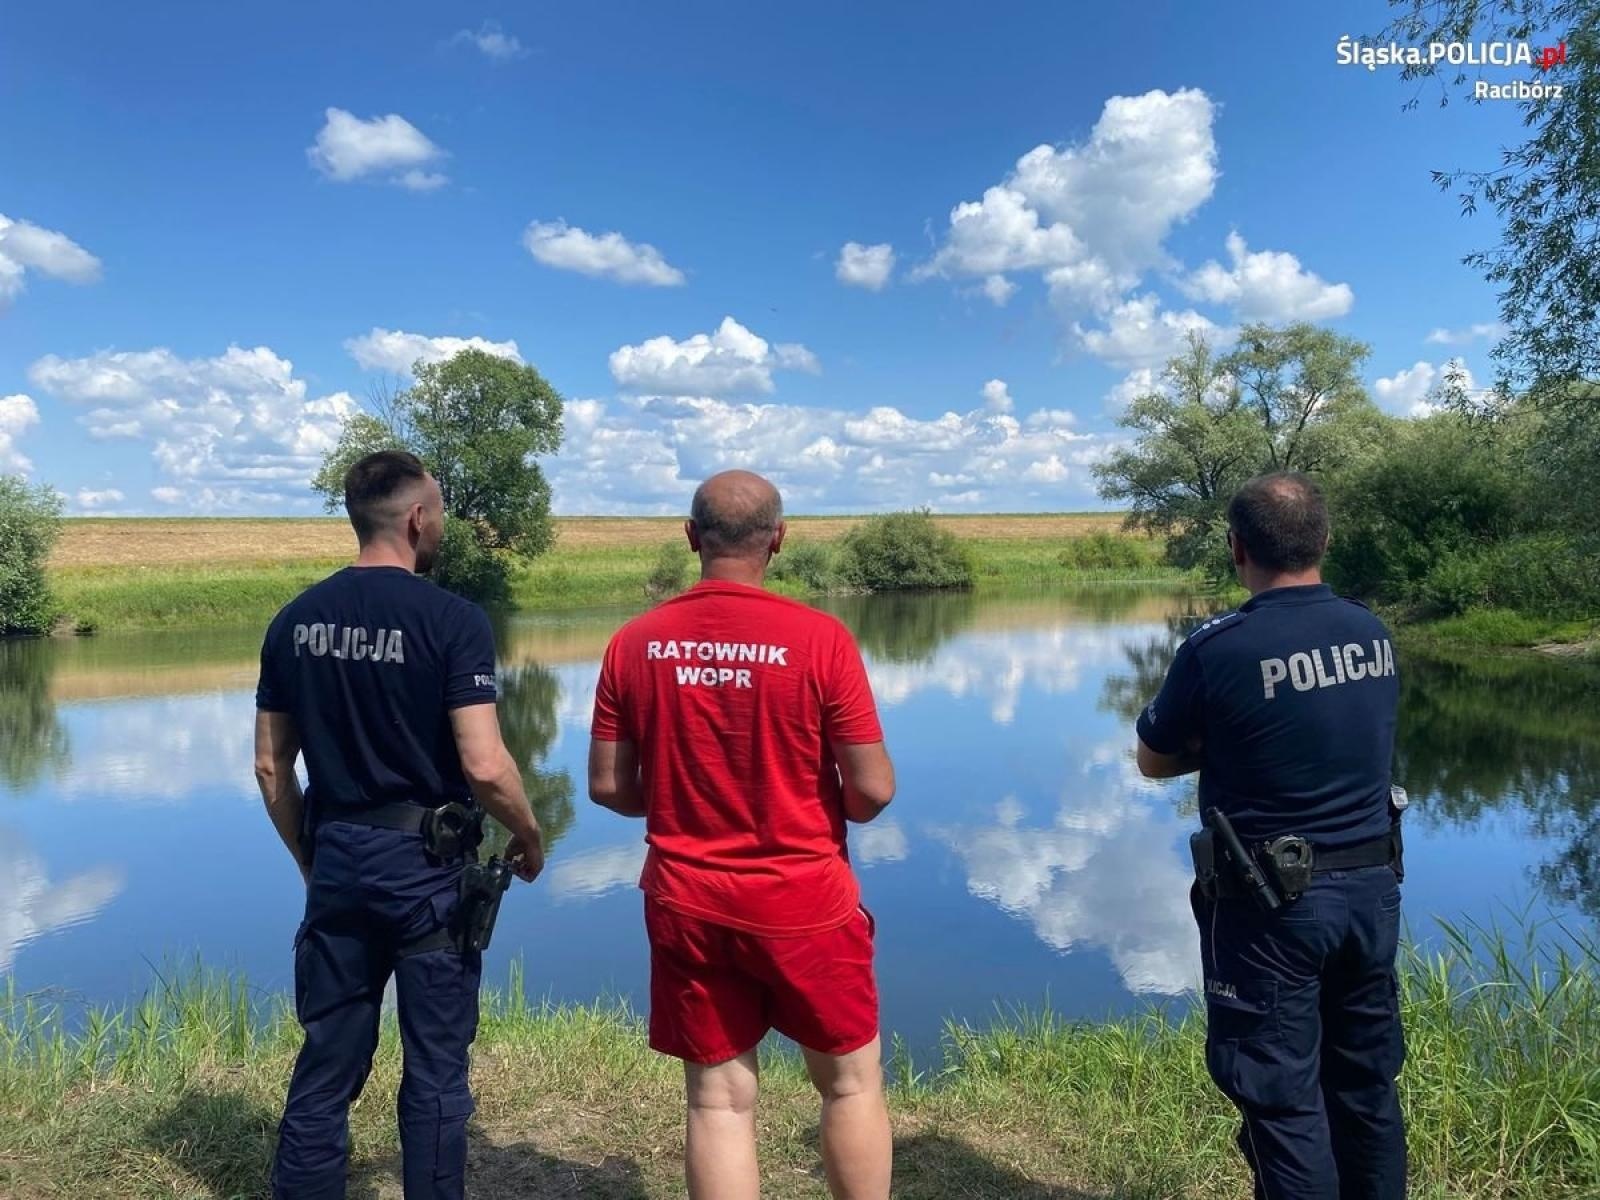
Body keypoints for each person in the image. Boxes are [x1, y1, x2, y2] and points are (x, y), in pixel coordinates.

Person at [588, 470, 897, 1200]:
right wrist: (824, 806)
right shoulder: (821, 639)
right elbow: (874, 788)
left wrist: (677, 803)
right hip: (804, 899)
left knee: (718, 1099)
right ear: (778, 542)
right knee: (850, 1085)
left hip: (687, 898)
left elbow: (606, 786)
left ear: (691, 538)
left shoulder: (635, 642)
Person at [253, 450, 546, 1200]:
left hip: (341, 857)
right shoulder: (453, 620)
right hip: (427, 869)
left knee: (329, 1060)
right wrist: (528, 830)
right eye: (440, 510)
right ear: (417, 518)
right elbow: (483, 763)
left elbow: (269, 768)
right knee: (437, 1067)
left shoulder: (295, 619)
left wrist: (310, 860)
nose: (441, 522)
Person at [1135, 472, 1406, 1200]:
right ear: (1325, 540)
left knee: (1281, 1101)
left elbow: (1153, 758)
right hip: (1373, 894)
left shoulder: (1218, 648)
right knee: (1366, 1088)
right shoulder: (1370, 630)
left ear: (1235, 548)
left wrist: (1222, 744)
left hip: (1273, 908)